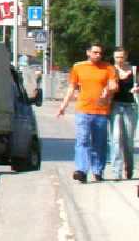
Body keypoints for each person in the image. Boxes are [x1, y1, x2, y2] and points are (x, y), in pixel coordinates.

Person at [58, 42, 117, 183]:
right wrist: (63, 106)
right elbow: (71, 88)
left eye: (100, 53)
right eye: (95, 52)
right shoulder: (78, 67)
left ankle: (97, 170)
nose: (98, 55)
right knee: (82, 140)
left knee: (99, 143)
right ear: (88, 53)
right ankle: (81, 171)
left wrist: (108, 90)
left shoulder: (108, 67)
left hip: (101, 111)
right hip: (83, 110)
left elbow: (114, 85)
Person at [107, 47, 137, 180]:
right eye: (117, 57)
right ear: (114, 57)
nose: (119, 59)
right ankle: (116, 172)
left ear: (126, 56)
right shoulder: (110, 70)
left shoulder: (134, 70)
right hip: (115, 106)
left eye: (122, 57)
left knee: (128, 140)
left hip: (131, 106)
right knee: (116, 139)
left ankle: (129, 169)